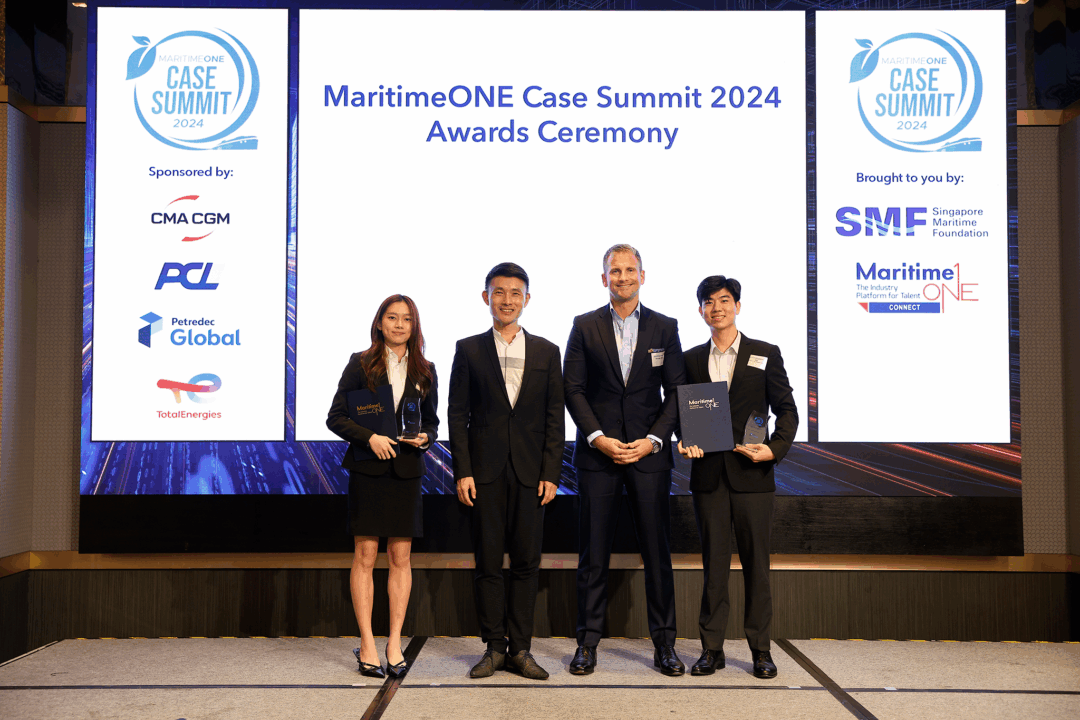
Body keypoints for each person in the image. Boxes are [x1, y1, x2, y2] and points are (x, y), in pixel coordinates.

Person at [563, 244, 687, 676]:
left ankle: (665, 645)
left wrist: (654, 440)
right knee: (593, 554)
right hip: (598, 456)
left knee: (657, 554)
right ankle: (587, 644)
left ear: (642, 275)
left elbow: (677, 391)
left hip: (648, 457)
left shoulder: (665, 327)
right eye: (614, 271)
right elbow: (573, 389)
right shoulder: (584, 325)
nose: (622, 277)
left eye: (629, 270)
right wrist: (598, 438)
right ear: (604, 279)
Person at [676, 275, 798, 679]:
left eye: (724, 300)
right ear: (700, 311)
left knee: (756, 567)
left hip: (753, 477)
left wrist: (774, 449)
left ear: (738, 306)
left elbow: (787, 410)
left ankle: (761, 650)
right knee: (713, 567)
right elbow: (679, 412)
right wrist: (683, 439)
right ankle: (711, 649)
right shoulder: (691, 359)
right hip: (708, 477)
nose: (717, 308)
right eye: (709, 302)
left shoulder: (765, 353)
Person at [449, 262, 564, 681]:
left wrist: (552, 472)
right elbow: (457, 414)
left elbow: (555, 418)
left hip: (532, 474)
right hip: (484, 473)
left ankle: (521, 650)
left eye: (516, 293)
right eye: (499, 292)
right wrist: (463, 470)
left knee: (527, 563)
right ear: (486, 297)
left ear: (527, 299)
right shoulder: (468, 349)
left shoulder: (547, 351)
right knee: (488, 562)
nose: (507, 300)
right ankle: (494, 647)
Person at [326, 294, 439, 679]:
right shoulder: (360, 363)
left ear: (414, 325)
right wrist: (369, 437)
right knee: (365, 555)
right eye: (392, 317)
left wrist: (426, 438)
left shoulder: (426, 369)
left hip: (406, 472)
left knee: (401, 557)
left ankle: (393, 643)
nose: (399, 325)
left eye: (406, 319)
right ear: (379, 323)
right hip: (369, 471)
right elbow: (336, 417)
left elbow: (432, 422)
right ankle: (367, 643)